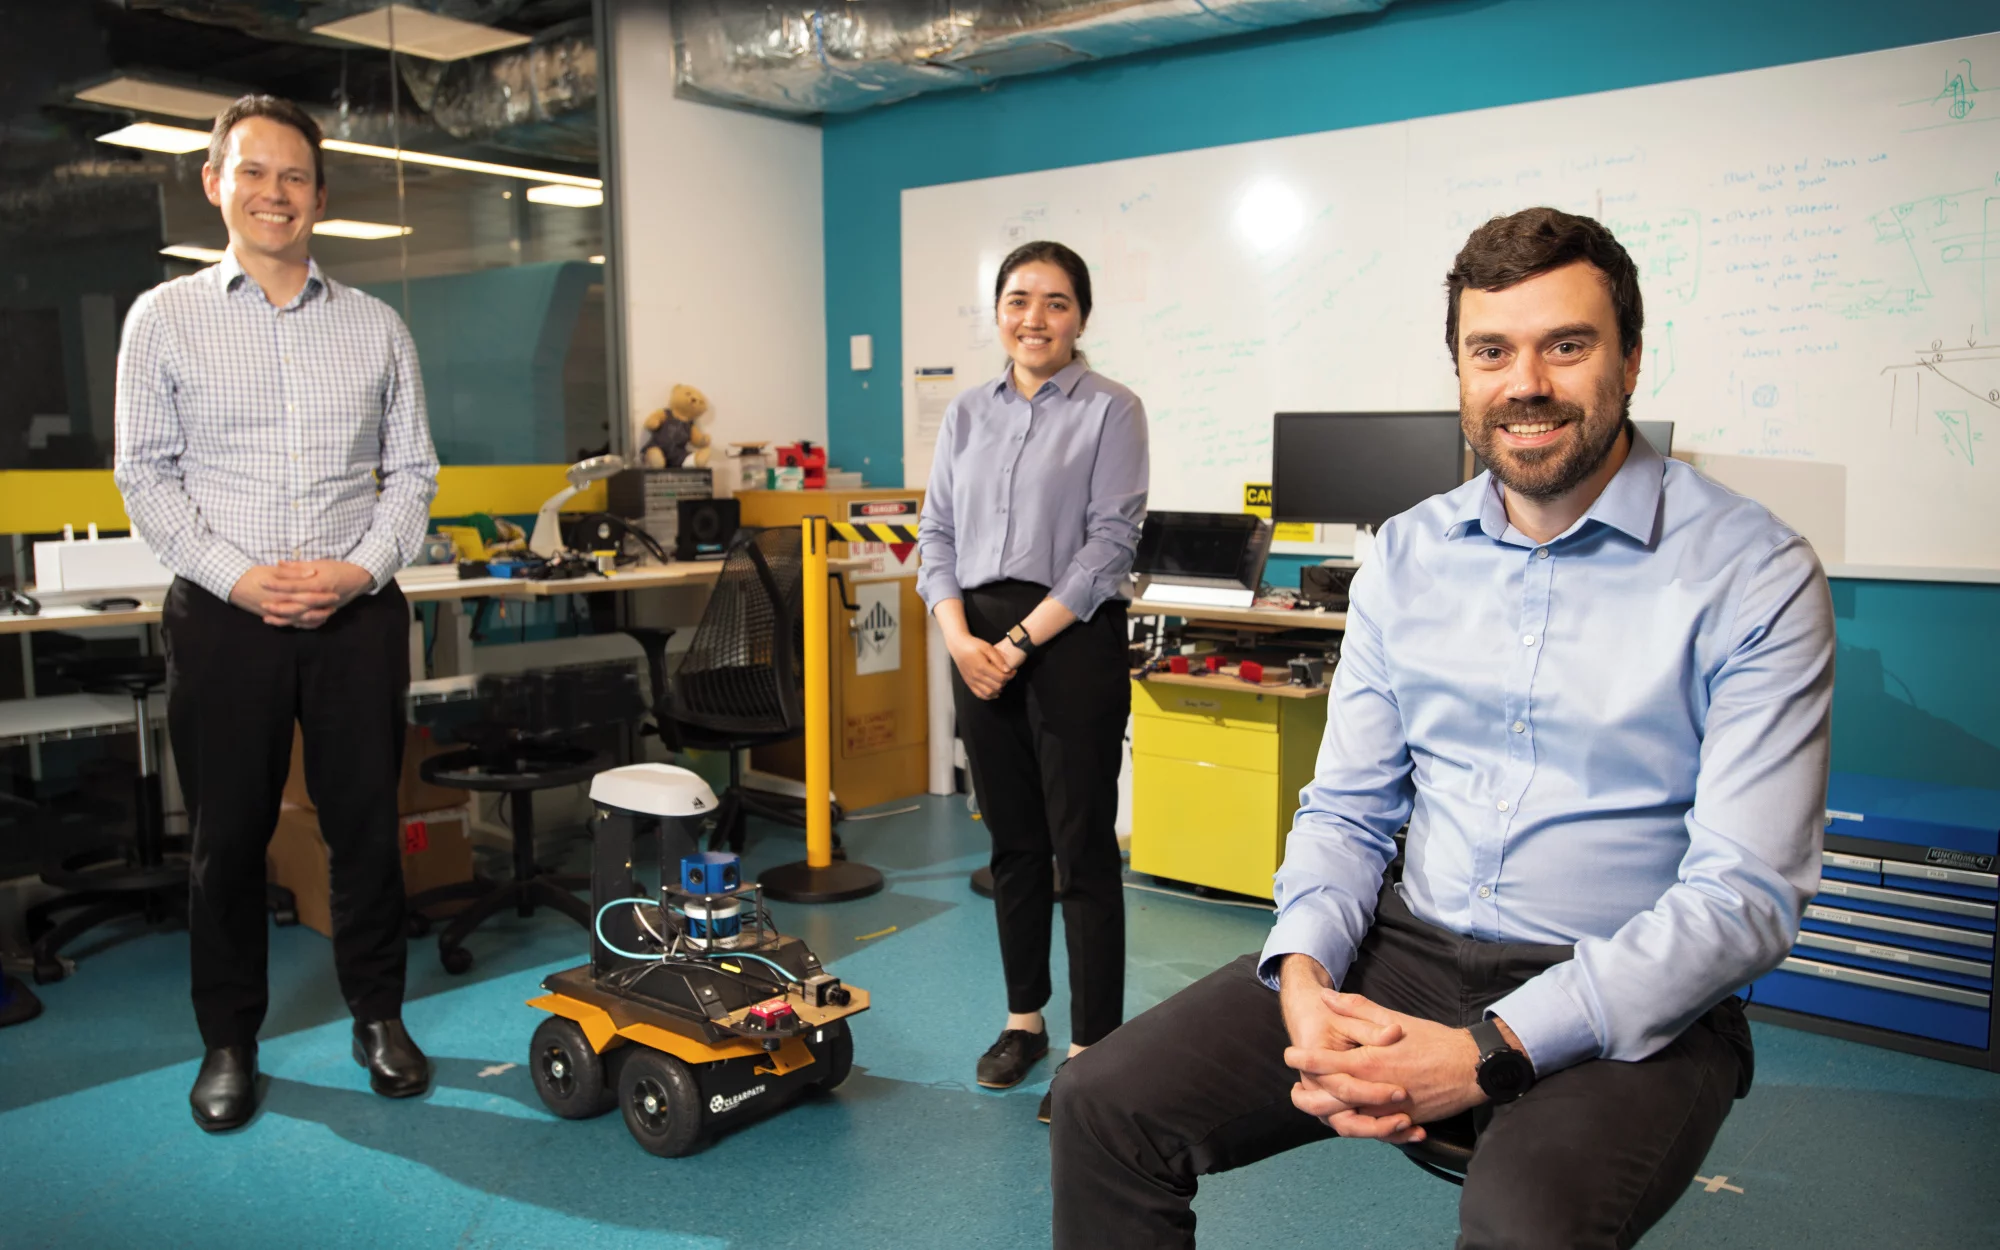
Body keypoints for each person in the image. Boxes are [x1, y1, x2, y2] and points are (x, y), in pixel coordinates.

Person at [1050, 206, 1834, 1248]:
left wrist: (1485, 1049)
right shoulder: (1408, 556)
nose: (1526, 382)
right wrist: (1302, 976)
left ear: (1631, 359)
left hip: (1629, 981)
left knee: (1522, 1225)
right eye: (1489, 350)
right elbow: (1346, 809)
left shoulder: (1753, 573)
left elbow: (1742, 897)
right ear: (1460, 374)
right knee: (1104, 1104)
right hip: (1408, 945)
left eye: (1566, 343)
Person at [113, 95, 441, 1132]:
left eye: (294, 176)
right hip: (224, 618)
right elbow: (145, 475)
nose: (274, 193)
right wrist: (241, 578)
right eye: (253, 172)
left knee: (364, 828)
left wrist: (360, 569)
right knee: (227, 835)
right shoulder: (162, 318)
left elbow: (414, 474)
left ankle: (377, 1014)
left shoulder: (376, 326)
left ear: (319, 195)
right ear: (214, 184)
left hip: (355, 617)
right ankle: (229, 1039)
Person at [916, 241, 1150, 1123]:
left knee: (1081, 847)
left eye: (1055, 302)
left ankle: (1094, 1047)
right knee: (1012, 844)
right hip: (973, 641)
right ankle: (1024, 1021)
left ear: (1080, 316)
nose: (1034, 318)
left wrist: (1012, 642)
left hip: (1069, 638)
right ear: (999, 311)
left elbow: (1108, 548)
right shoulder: (967, 415)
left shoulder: (1112, 410)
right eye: (1018, 299)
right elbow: (933, 535)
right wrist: (959, 637)